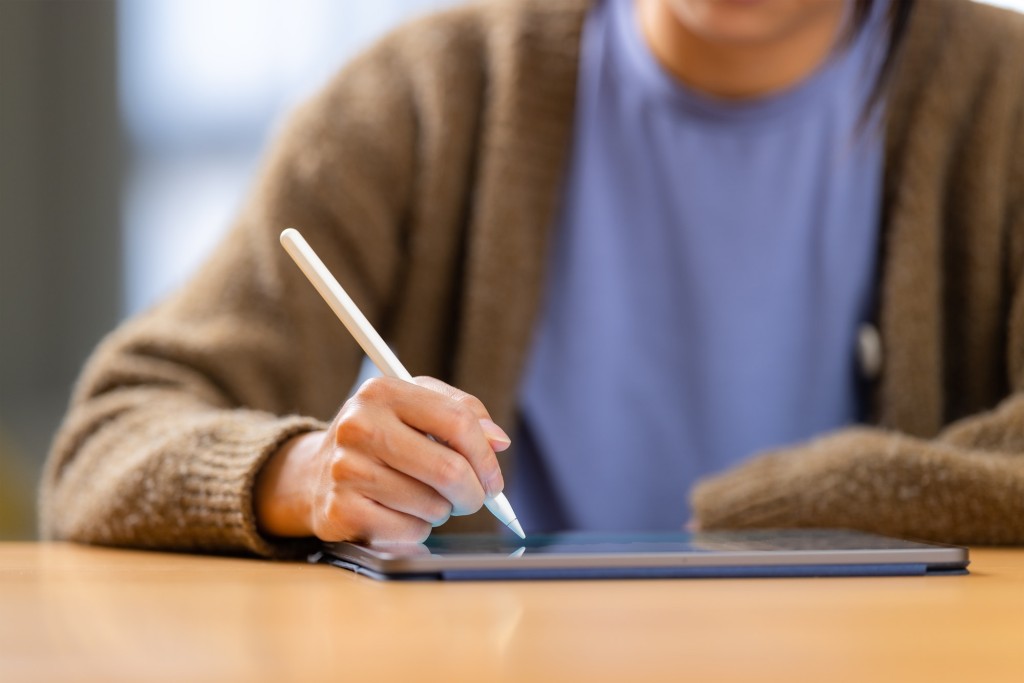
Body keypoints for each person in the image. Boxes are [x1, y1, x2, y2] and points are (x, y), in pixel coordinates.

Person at [42, 0, 1024, 557]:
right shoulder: (424, 98)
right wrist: (298, 475)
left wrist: (813, 501)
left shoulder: (999, 96)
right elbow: (104, 440)